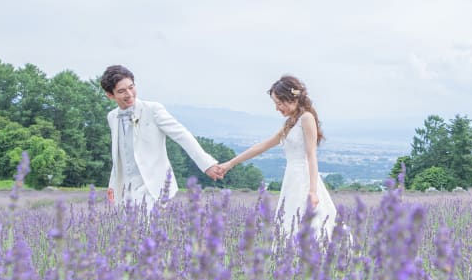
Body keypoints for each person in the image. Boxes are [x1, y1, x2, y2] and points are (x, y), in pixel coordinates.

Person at [217, 75, 337, 240]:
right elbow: (263, 146)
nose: (277, 108)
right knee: (289, 224)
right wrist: (229, 164)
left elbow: (311, 156)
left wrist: (313, 191)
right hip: (291, 180)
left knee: (309, 227)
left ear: (290, 99)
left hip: (305, 180)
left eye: (279, 103)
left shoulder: (307, 118)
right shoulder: (291, 123)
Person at [100, 65, 224, 206]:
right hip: (125, 192)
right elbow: (119, 154)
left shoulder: (153, 110)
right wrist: (112, 184)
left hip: (153, 189)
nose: (129, 94)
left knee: (149, 228)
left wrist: (207, 164)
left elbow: (182, 135)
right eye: (122, 91)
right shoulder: (112, 117)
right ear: (110, 95)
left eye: (131, 87)